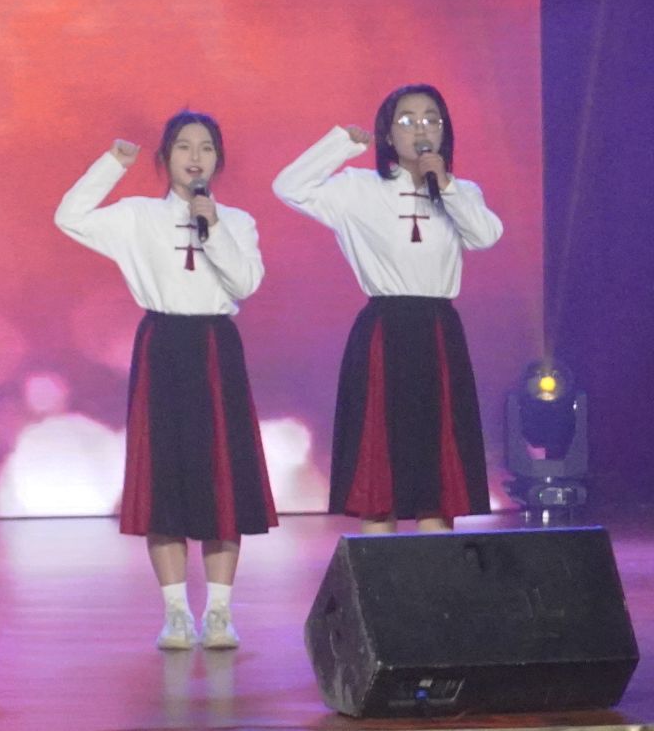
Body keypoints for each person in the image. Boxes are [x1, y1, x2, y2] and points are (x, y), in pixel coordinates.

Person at [55, 113, 276, 650]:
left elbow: (246, 281)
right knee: (164, 480)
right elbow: (70, 217)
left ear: (218, 159)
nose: (195, 157)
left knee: (222, 478)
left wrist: (214, 227)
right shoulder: (138, 216)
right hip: (163, 346)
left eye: (206, 148)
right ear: (165, 157)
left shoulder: (238, 221)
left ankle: (219, 613)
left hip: (216, 347)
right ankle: (176, 613)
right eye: (183, 147)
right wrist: (113, 165)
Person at [272, 84, 502, 531]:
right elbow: (289, 187)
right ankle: (379, 572)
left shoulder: (461, 191)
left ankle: (437, 575)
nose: (421, 128)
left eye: (432, 119)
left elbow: (486, 235)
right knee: (380, 474)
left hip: (438, 333)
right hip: (384, 331)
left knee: (436, 472)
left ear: (445, 132)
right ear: (388, 135)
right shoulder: (358, 189)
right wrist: (341, 145)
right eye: (408, 120)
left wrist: (446, 185)